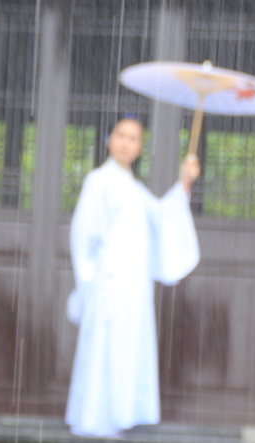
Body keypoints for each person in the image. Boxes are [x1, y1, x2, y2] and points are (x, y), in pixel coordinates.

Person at [65, 116, 201, 439]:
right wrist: (89, 281)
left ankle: (121, 413)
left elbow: (161, 218)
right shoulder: (97, 181)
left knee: (127, 346)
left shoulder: (134, 188)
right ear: (109, 140)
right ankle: (96, 419)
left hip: (134, 284)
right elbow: (83, 235)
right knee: (104, 346)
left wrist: (185, 181)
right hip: (108, 280)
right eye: (121, 135)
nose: (126, 142)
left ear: (140, 147)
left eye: (134, 138)